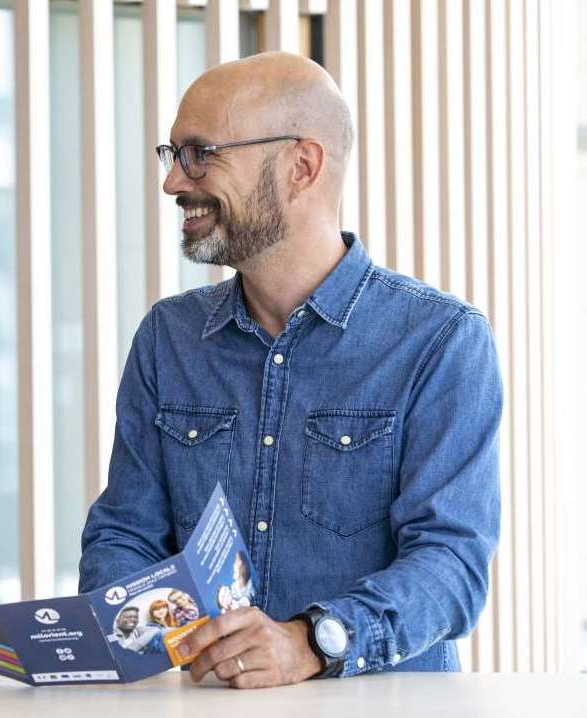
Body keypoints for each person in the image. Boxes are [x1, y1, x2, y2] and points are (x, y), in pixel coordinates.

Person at [79, 51, 502, 689]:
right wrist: (136, 627)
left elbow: (451, 566)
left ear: (300, 167)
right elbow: (125, 533)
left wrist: (311, 641)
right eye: (173, 156)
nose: (175, 183)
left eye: (201, 154)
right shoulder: (169, 339)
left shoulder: (440, 342)